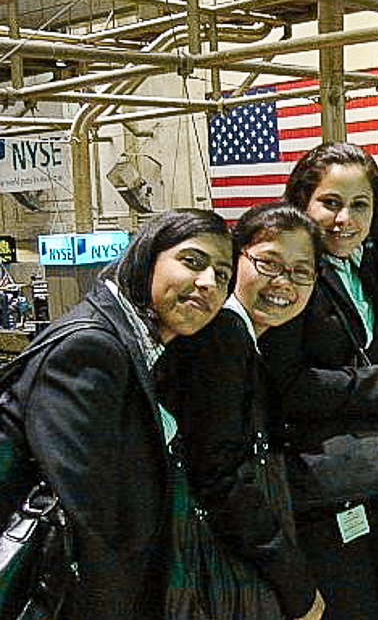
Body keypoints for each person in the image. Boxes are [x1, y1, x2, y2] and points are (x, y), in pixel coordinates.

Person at [3, 209, 234, 619]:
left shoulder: (144, 348)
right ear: (148, 257)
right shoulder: (92, 348)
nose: (208, 283)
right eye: (193, 262)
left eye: (222, 274)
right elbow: (87, 519)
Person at [259, 142, 378, 619]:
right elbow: (288, 386)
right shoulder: (293, 274)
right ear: (301, 203)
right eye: (330, 203)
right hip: (321, 483)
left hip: (374, 475)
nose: (345, 219)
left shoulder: (365, 267)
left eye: (359, 205)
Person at [157, 202, 326, 619]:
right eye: (268, 263)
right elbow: (219, 476)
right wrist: (296, 584)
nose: (283, 282)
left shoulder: (244, 337)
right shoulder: (222, 336)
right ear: (235, 261)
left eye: (301, 271)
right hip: (209, 564)